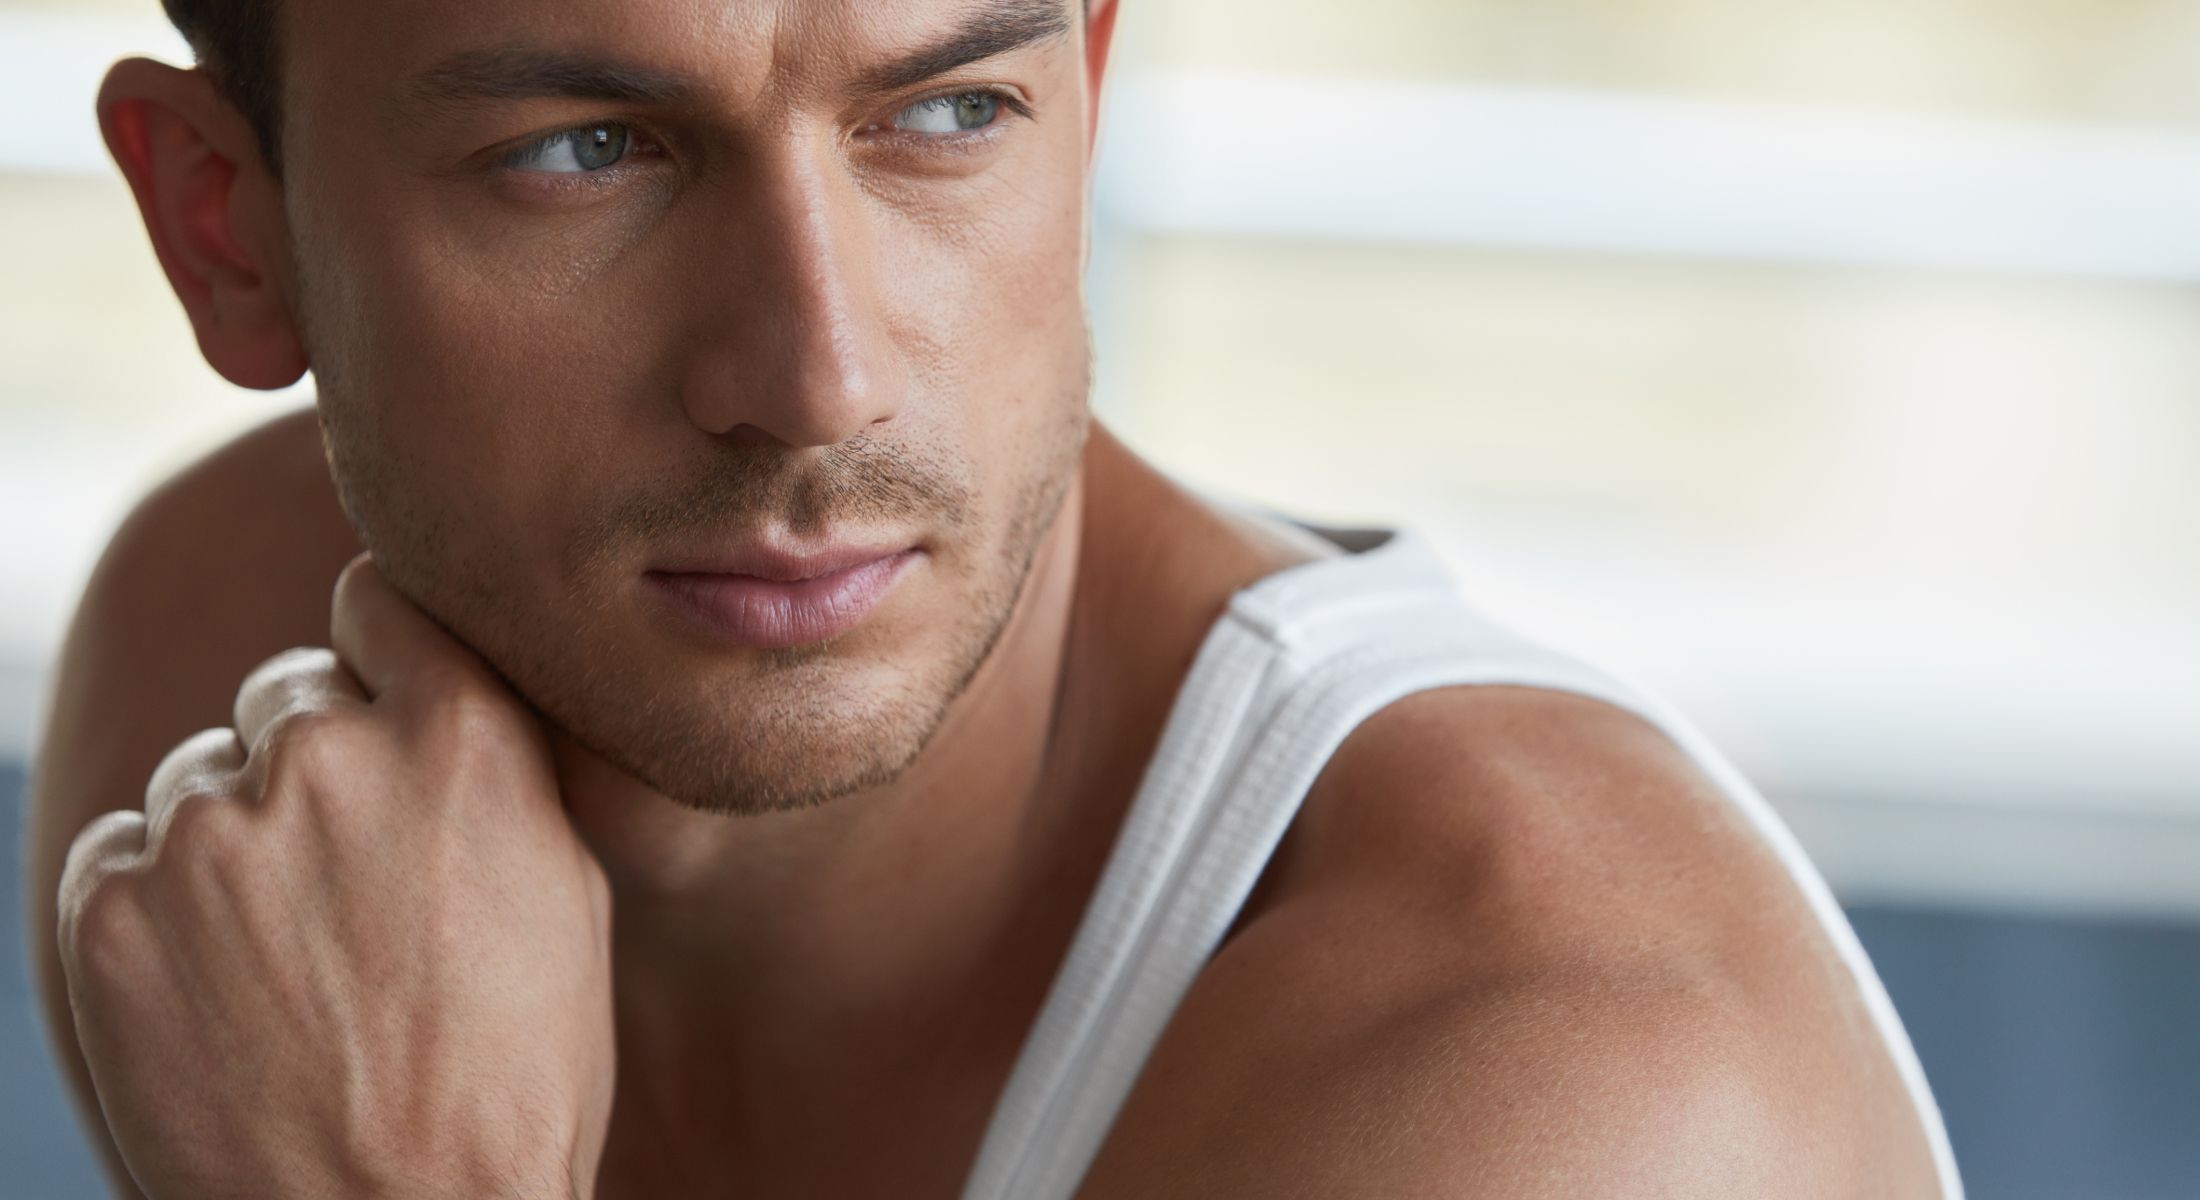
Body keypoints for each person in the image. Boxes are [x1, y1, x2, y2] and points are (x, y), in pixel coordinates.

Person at [25, 0, 1963, 1196]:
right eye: (584, 151)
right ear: (225, 223)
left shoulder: (1559, 1074)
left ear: (1088, 86)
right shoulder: (219, 710)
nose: (816, 374)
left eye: (944, 112)